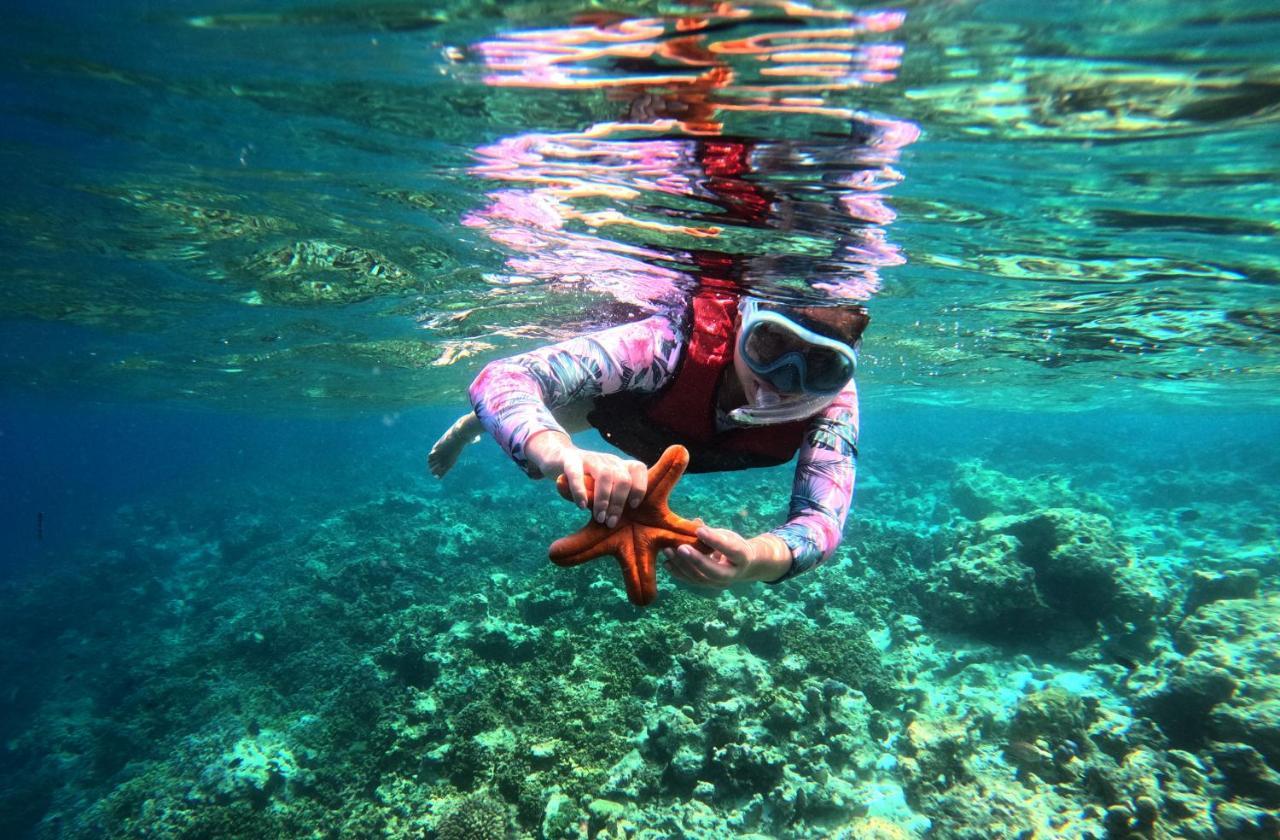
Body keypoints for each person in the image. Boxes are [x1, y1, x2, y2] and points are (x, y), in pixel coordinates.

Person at [429, 286, 867, 589]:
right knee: (547, 417)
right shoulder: (665, 344)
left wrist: (754, 559)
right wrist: (557, 453)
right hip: (630, 411)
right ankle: (474, 425)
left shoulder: (834, 406)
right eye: (769, 344)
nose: (784, 381)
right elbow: (502, 378)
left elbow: (822, 522)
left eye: (824, 366)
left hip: (683, 437)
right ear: (740, 322)